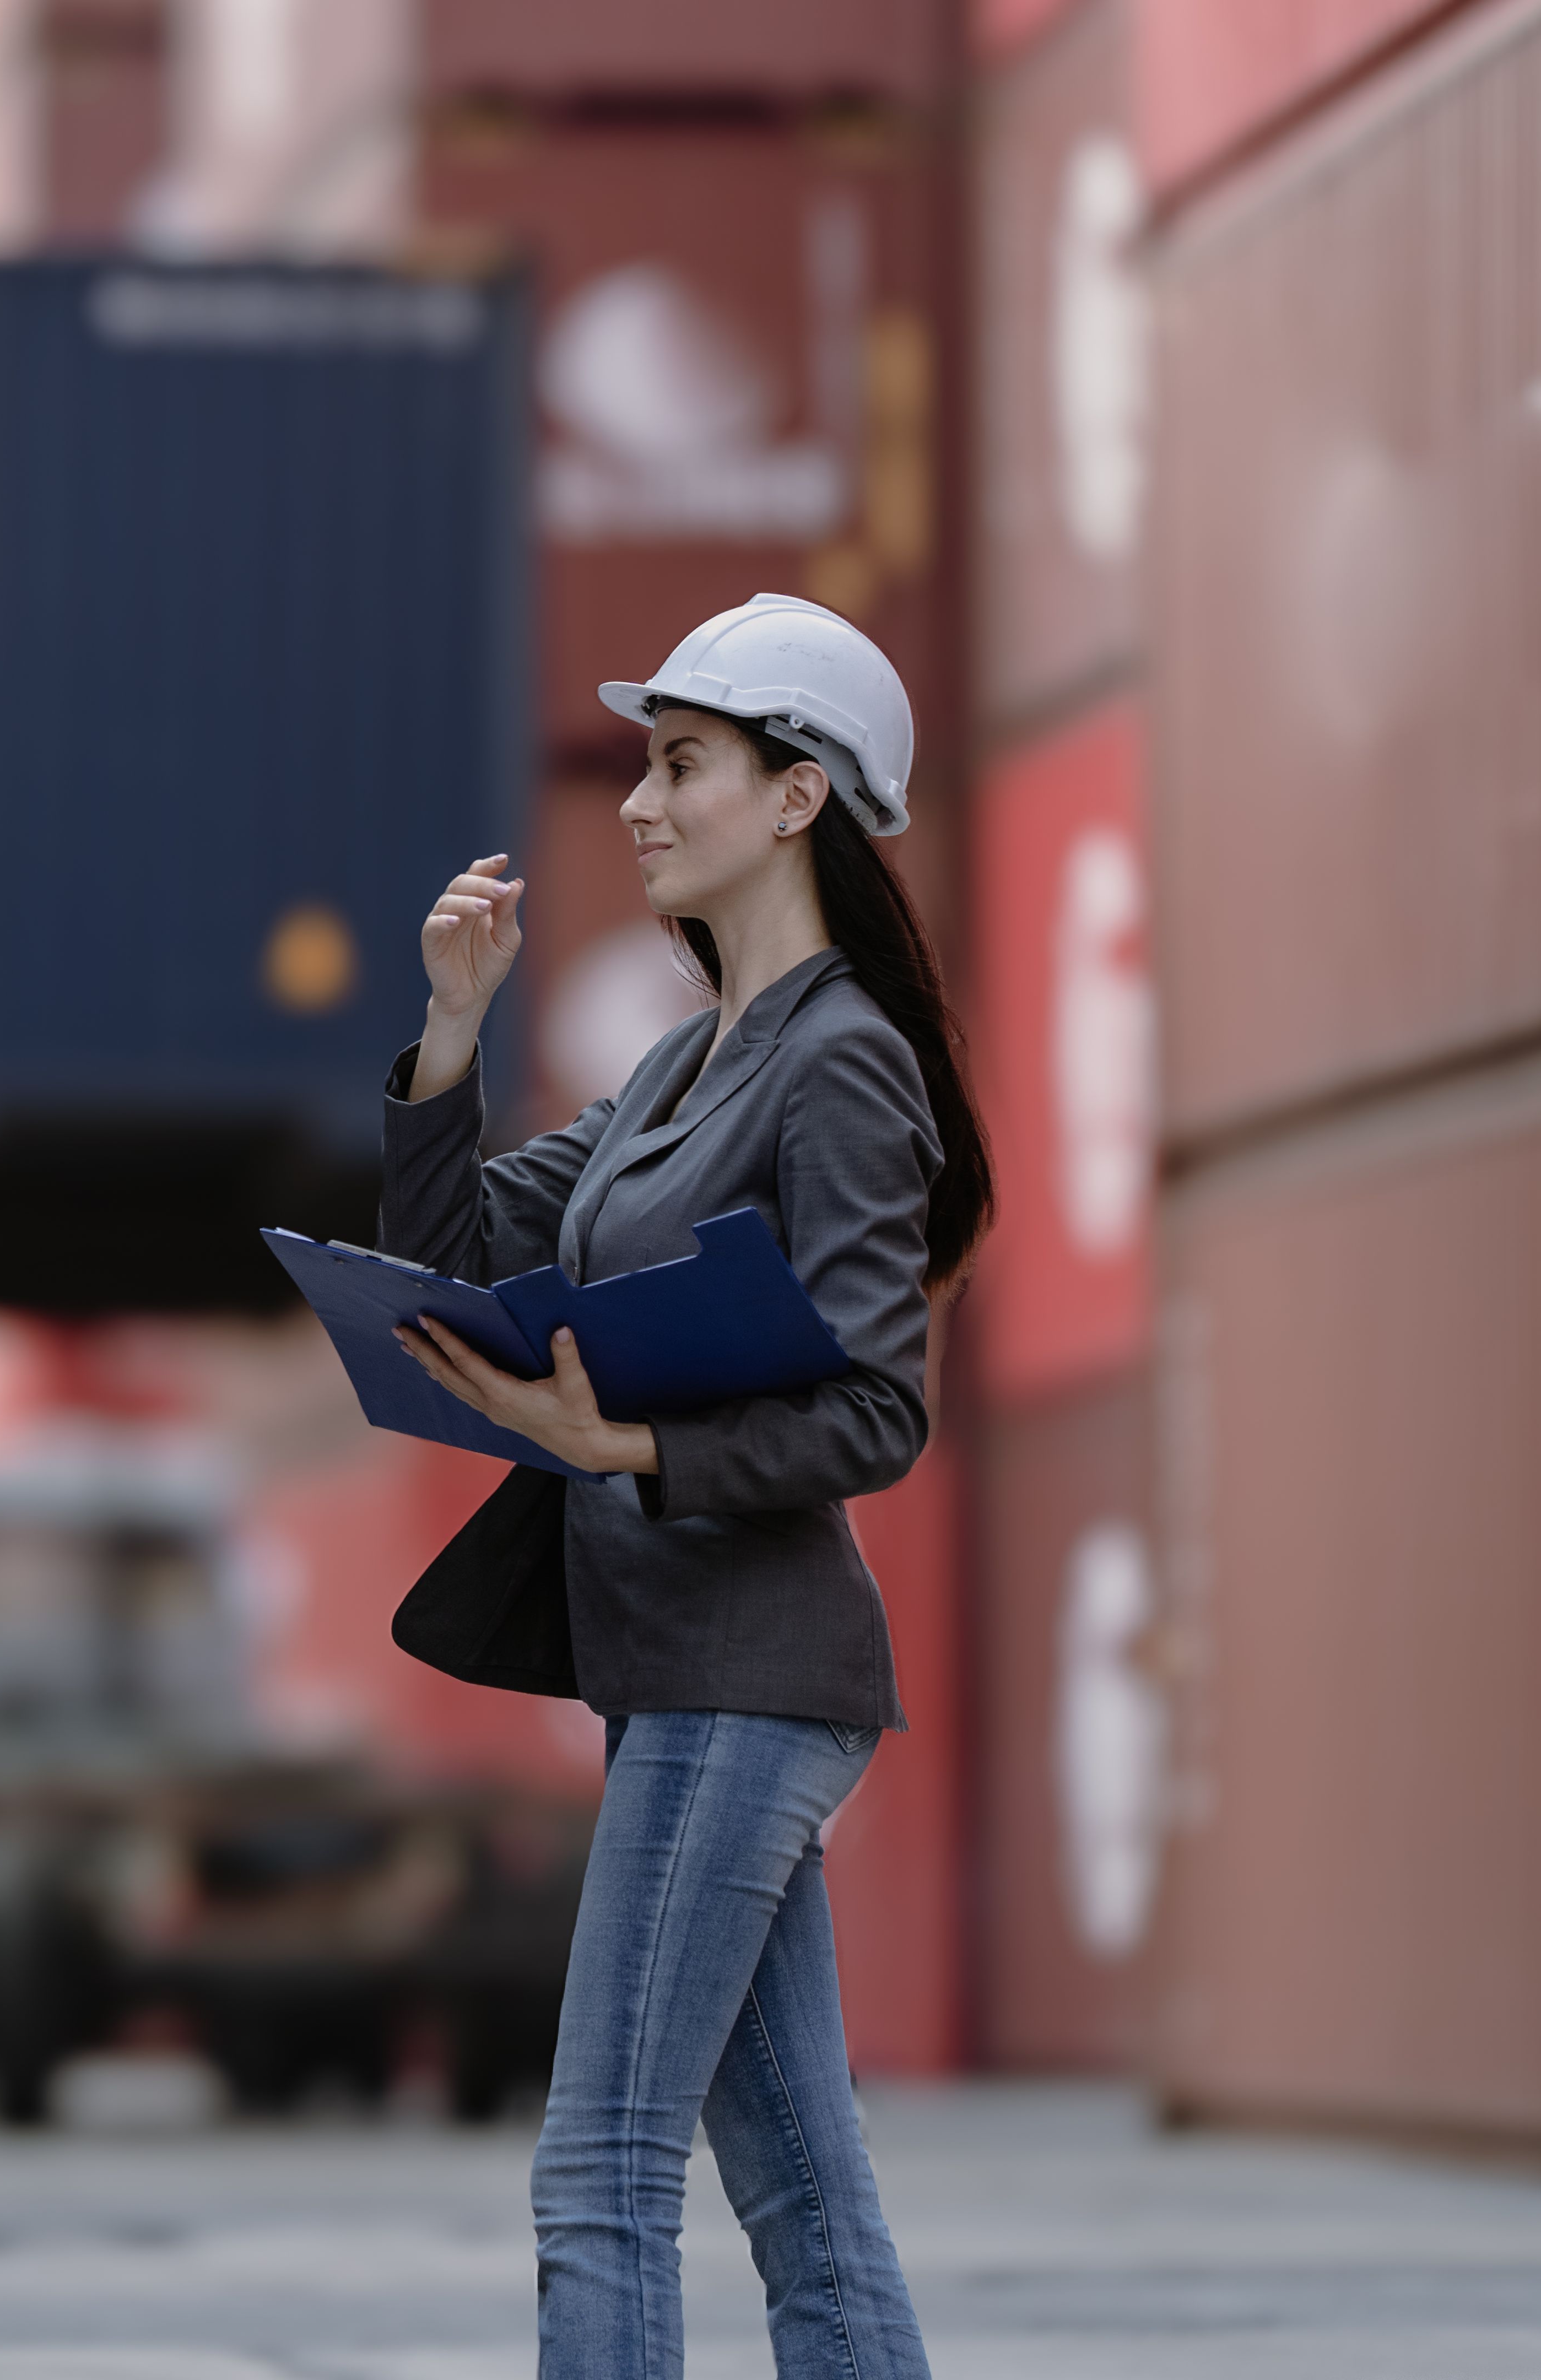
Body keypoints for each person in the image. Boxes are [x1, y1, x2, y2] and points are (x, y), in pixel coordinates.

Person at [379, 594, 990, 2380]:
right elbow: (458, 1253)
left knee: (602, 2169)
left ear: (802, 798)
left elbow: (880, 1411)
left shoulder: (845, 1061)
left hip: (750, 1665)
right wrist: (448, 1035)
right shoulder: (680, 1061)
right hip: (679, 1674)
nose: (637, 804)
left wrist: (627, 1445)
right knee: (803, 2191)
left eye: (681, 765)